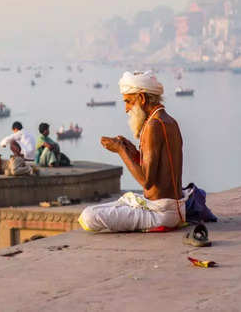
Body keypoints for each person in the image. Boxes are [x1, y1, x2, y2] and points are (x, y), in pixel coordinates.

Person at [79, 71, 185, 232]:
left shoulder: (153, 126)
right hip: (175, 207)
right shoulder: (169, 121)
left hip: (161, 212)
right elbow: (156, 170)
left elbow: (147, 181)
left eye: (128, 102)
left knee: (89, 216)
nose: (126, 109)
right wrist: (133, 152)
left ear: (142, 99)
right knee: (122, 201)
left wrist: (121, 150)